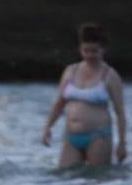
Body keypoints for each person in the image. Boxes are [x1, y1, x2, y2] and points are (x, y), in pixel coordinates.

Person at [42, 23, 127, 167]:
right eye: (85, 50)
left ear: (103, 50)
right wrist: (48, 127)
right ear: (80, 49)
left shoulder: (110, 76)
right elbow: (59, 103)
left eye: (94, 51)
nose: (90, 55)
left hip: (99, 136)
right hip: (71, 137)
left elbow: (120, 113)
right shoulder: (70, 71)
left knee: (97, 180)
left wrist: (122, 144)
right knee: (64, 176)